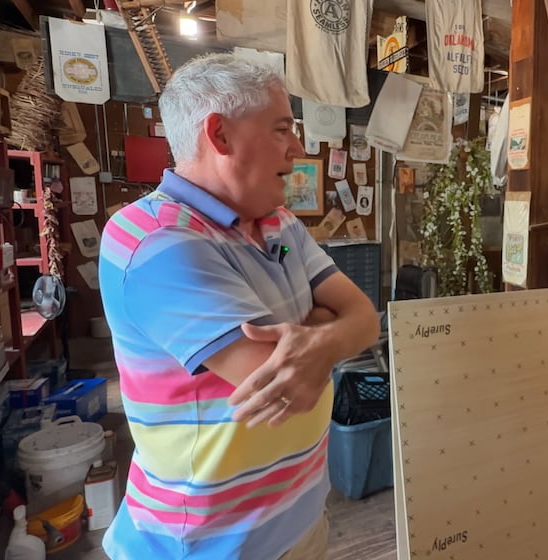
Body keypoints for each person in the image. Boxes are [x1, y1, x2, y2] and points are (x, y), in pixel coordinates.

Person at [97, 54, 380, 560]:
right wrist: (323, 325)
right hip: (206, 546)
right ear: (220, 136)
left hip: (300, 518)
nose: (298, 147)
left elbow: (364, 317)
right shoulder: (155, 239)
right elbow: (281, 384)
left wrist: (320, 339)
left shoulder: (281, 225)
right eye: (281, 129)